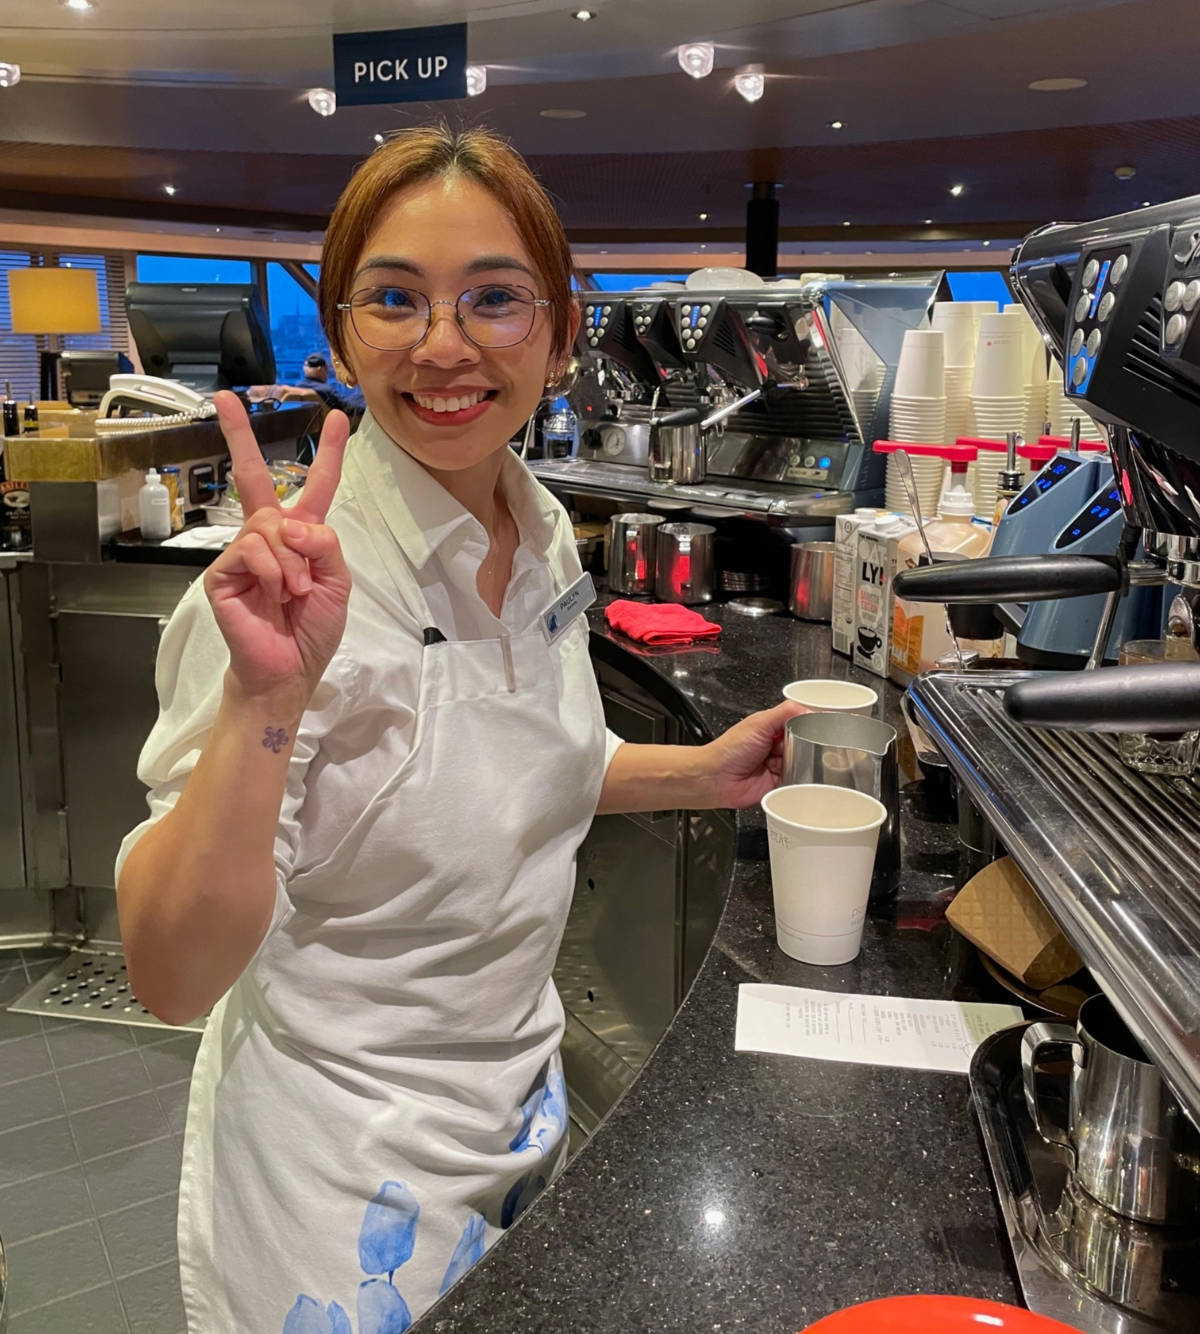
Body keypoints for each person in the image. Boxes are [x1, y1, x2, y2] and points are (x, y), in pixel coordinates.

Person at [116, 124, 804, 1334]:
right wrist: (265, 697)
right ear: (340, 334)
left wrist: (705, 768)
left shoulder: (535, 527)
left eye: (493, 296)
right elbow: (171, 971)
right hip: (338, 1188)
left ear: (559, 327)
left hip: (518, 1118)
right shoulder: (287, 595)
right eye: (395, 298)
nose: (445, 345)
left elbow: (526, 765)